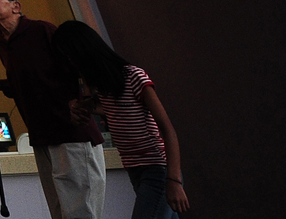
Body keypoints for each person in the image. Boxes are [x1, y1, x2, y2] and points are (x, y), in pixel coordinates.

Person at [0, 0, 106, 219]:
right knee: (60, 212)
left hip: (71, 134)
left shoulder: (42, 31)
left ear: (15, 6)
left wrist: (84, 102)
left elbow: (80, 68)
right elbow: (36, 79)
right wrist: (1, 84)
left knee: (81, 212)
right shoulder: (2, 42)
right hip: (42, 137)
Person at [51, 22, 189, 218]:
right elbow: (111, 109)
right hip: (135, 169)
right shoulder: (102, 87)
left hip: (157, 168)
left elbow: (167, 129)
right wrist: (81, 107)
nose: (71, 64)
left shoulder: (134, 76)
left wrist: (174, 180)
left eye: (70, 57)